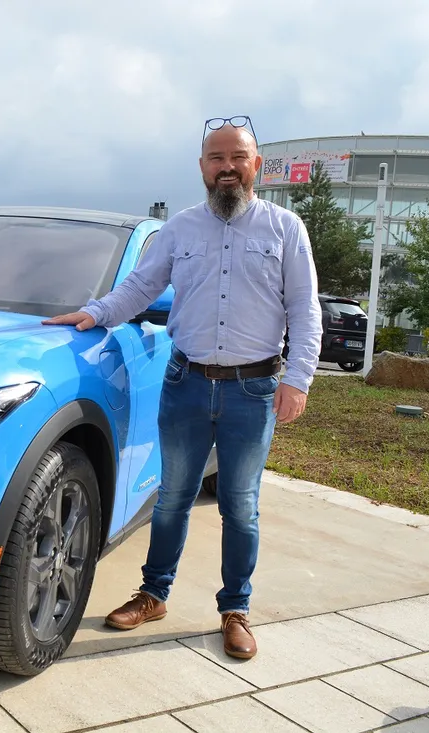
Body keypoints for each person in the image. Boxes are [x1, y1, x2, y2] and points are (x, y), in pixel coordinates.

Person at [43, 118, 322, 660]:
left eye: (237, 157)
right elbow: (141, 286)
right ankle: (153, 594)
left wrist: (298, 380)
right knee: (171, 498)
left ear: (255, 165)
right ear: (201, 168)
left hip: (254, 388)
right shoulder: (180, 230)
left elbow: (304, 310)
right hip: (186, 384)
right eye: (216, 158)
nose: (227, 168)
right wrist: (92, 314)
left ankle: (235, 609)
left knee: (240, 505)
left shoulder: (285, 229)